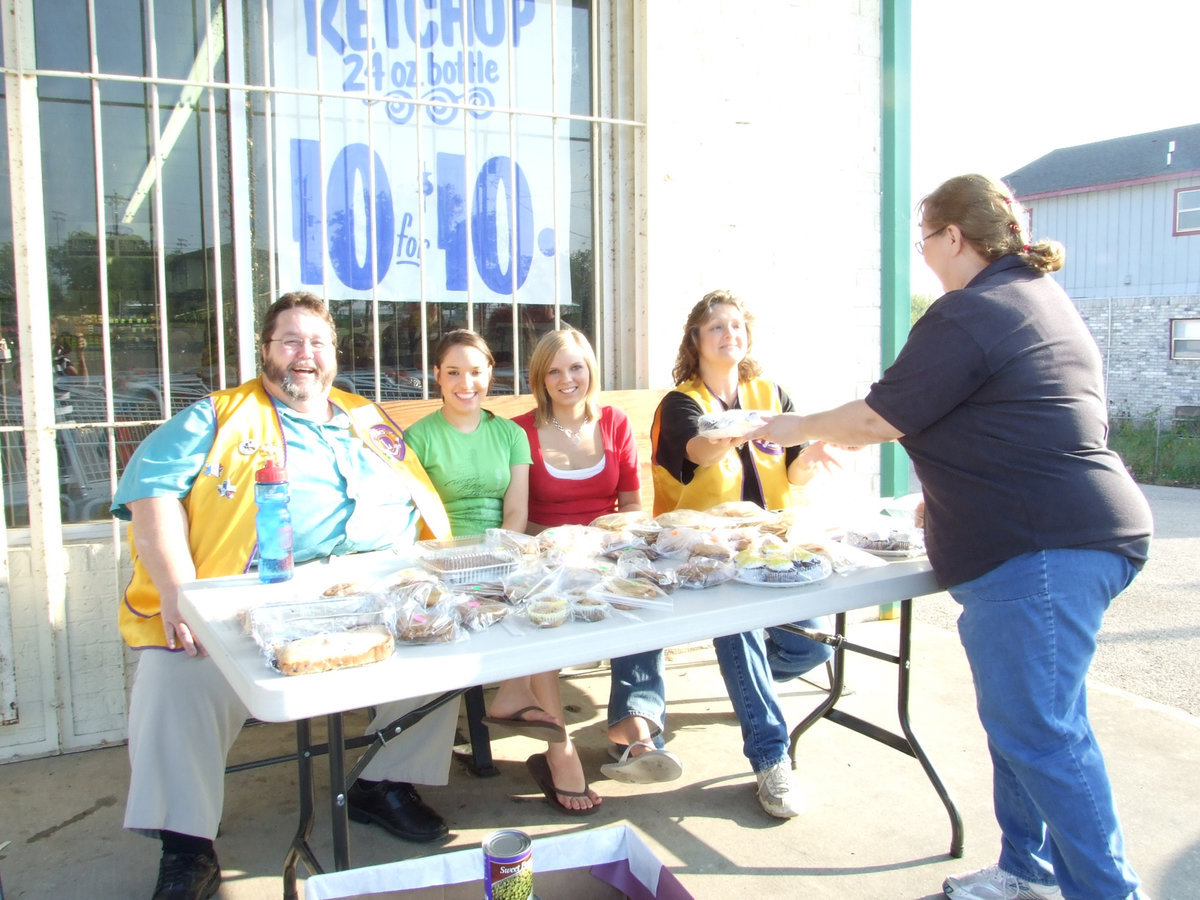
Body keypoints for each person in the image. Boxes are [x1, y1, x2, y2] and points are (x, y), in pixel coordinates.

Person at [748, 174, 1153, 900]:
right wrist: (950, 495)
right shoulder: (1033, 298)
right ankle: (1027, 870)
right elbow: (1019, 419)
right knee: (1027, 727)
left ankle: (1108, 892)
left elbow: (879, 418)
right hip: (1064, 539)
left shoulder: (971, 310)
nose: (924, 254)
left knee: (1042, 735)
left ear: (954, 238)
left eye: (925, 238)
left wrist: (793, 427)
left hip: (1041, 550)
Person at [113, 292, 459, 900]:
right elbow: (152, 495)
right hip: (255, 597)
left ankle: (383, 782)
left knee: (444, 643)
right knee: (175, 678)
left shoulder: (364, 414)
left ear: (334, 353)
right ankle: (186, 843)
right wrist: (176, 593)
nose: (306, 354)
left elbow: (418, 495)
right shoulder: (215, 416)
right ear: (266, 351)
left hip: (374, 586)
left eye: (318, 343)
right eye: (291, 342)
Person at [629, 289, 841, 819]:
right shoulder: (681, 403)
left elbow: (791, 471)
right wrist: (733, 429)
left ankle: (751, 686)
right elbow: (696, 451)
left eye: (737, 325)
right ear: (696, 340)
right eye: (716, 327)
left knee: (815, 647)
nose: (730, 334)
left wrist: (811, 454)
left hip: (771, 547)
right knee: (740, 626)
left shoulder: (770, 392)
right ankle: (772, 760)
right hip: (702, 554)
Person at [405, 331, 602, 813]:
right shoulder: (418, 437)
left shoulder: (510, 435)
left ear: (491, 374)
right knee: (521, 614)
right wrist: (457, 565)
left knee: (540, 607)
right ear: (437, 376)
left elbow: (515, 513)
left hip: (504, 555)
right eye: (453, 372)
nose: (465, 382)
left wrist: (499, 560)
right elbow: (419, 517)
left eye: (475, 371)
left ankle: (526, 705)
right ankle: (556, 747)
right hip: (440, 562)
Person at [511, 328, 684, 787]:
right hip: (545, 556)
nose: (567, 378)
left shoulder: (615, 422)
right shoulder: (521, 431)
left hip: (607, 550)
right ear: (539, 378)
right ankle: (559, 746)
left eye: (576, 367)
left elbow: (631, 504)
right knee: (542, 610)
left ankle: (634, 728)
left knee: (643, 598)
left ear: (590, 370)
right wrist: (565, 543)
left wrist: (607, 543)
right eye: (554, 370)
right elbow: (517, 515)